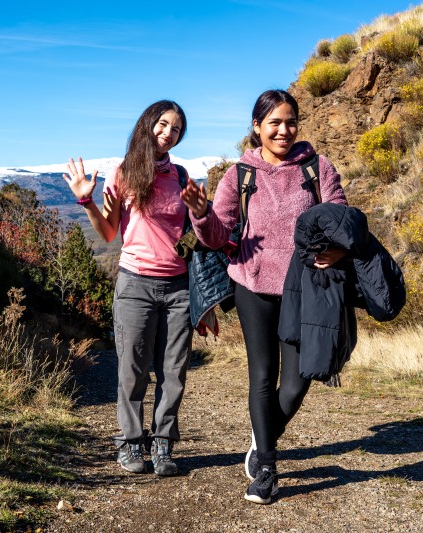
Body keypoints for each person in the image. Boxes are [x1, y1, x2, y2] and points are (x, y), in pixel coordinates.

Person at [180, 89, 349, 504]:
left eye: (290, 122)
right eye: (274, 123)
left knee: (296, 383)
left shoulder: (317, 167)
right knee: (261, 377)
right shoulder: (239, 175)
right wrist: (201, 214)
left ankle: (262, 439)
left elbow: (341, 217)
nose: (283, 131)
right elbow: (218, 236)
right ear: (257, 127)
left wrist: (338, 250)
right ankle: (267, 470)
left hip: (304, 290)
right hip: (252, 286)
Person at [62, 100, 192, 477]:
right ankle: (131, 442)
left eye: (176, 129)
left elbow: (192, 232)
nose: (168, 133)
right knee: (132, 371)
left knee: (173, 371)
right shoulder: (122, 172)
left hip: (179, 287)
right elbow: (107, 233)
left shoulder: (181, 175)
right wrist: (86, 200)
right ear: (147, 124)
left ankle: (162, 444)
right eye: (163, 124)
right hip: (135, 283)